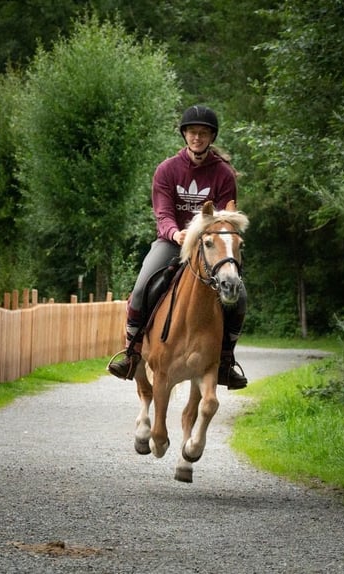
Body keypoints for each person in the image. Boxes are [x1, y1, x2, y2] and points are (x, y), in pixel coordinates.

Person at [107, 104, 249, 390]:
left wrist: (207, 239)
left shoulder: (223, 174)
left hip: (210, 246)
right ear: (185, 135)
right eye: (193, 132)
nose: (198, 137)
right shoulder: (167, 170)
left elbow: (225, 216)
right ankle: (132, 352)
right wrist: (175, 234)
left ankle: (225, 360)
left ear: (211, 137)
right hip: (173, 241)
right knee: (142, 285)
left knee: (240, 295)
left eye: (204, 133)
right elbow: (163, 213)